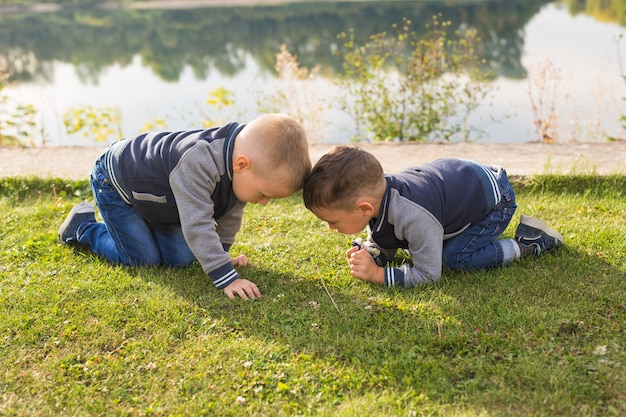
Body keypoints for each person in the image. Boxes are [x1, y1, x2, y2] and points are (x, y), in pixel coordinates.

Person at [58, 113, 311, 300]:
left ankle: (144, 226)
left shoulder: (240, 166)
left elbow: (230, 216)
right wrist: (226, 278)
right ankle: (84, 228)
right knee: (142, 259)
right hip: (117, 182)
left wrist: (220, 257)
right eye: (264, 194)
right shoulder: (199, 161)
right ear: (242, 165)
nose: (264, 202)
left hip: (163, 200)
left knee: (180, 258)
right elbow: (197, 223)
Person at [302, 145, 564, 287]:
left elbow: (428, 275)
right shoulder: (378, 196)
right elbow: (385, 233)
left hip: (496, 201)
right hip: (463, 181)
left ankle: (528, 242)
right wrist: (372, 253)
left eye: (333, 221)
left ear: (364, 209)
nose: (330, 228)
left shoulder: (414, 216)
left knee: (455, 256)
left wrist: (377, 275)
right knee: (431, 241)